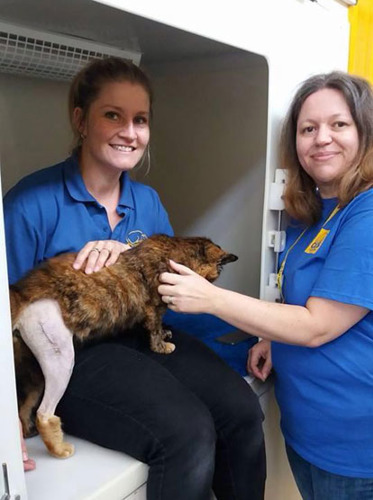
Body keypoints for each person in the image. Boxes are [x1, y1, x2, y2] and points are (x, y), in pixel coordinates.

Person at [4, 56, 266, 499]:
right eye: (113, 115)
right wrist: (6, 411)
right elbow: (6, 311)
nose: (130, 132)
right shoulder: (31, 203)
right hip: (72, 353)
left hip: (140, 337)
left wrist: (253, 328)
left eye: (140, 120)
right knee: (187, 432)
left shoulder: (147, 202)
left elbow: (172, 297)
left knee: (241, 411)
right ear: (81, 121)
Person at [158, 71, 373, 500]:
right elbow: (307, 302)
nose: (321, 139)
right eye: (307, 129)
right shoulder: (311, 210)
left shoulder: (366, 213)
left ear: (365, 132)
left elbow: (317, 325)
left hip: (354, 446)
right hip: (306, 431)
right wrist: (273, 339)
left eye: (339, 124)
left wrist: (211, 298)